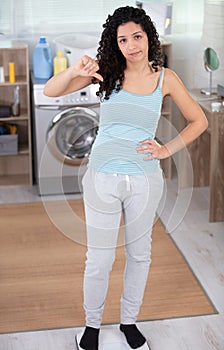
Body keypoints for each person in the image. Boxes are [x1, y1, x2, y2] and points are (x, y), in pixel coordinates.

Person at [44, 6, 208, 350]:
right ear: (114, 44)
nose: (132, 45)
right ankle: (91, 326)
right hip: (102, 177)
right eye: (123, 39)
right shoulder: (106, 72)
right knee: (99, 258)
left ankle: (129, 322)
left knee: (139, 255)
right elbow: (51, 91)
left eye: (137, 36)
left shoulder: (167, 78)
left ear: (149, 37)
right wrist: (76, 69)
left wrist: (166, 150)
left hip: (145, 181)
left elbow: (199, 121)